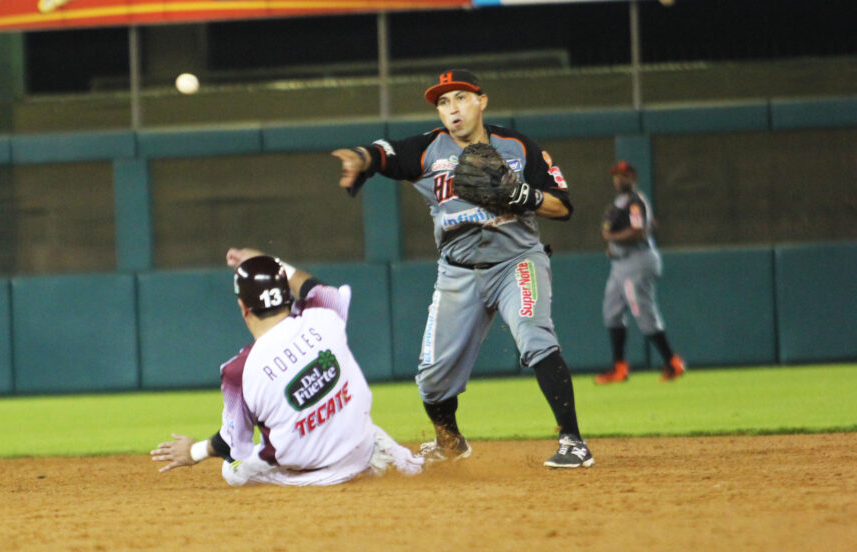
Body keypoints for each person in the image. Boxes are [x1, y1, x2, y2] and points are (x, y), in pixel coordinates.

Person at [330, 69, 594, 469]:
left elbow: (563, 206)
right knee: (433, 378)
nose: (451, 109)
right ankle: (449, 443)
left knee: (533, 333)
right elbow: (383, 153)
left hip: (516, 260)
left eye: (460, 98)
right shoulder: (427, 149)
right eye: (443, 102)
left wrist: (523, 194)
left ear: (481, 101)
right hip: (458, 271)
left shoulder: (519, 147)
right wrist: (361, 159)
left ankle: (573, 441)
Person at [150, 248, 423, 486]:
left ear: (243, 307)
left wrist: (194, 451)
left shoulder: (238, 372)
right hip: (360, 449)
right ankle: (402, 461)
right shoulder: (324, 313)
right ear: (287, 295)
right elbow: (310, 285)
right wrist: (270, 261)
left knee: (232, 470)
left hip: (312, 475)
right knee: (355, 422)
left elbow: (233, 444)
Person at [595, 161, 686, 384]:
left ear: (633, 178)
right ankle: (619, 367)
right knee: (611, 312)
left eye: (624, 175)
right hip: (620, 264)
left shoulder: (636, 202)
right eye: (616, 175)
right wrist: (613, 246)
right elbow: (651, 224)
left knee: (643, 313)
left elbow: (639, 232)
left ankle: (672, 362)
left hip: (636, 262)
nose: (619, 179)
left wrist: (613, 239)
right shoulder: (620, 203)